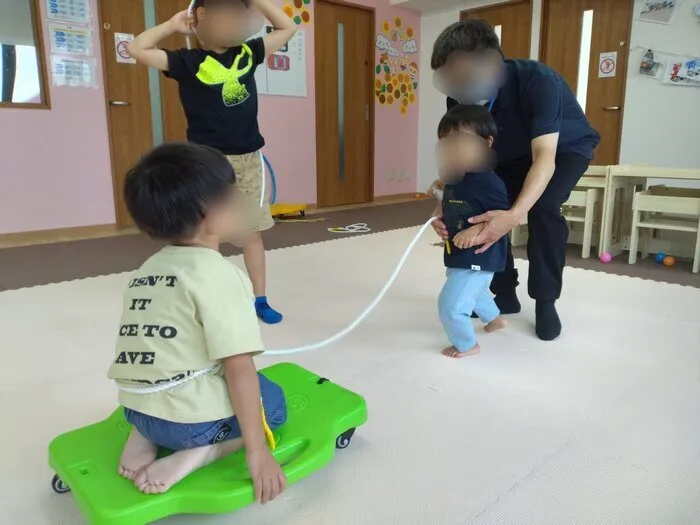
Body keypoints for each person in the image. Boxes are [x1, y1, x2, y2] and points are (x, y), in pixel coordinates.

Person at [108, 142, 287, 502]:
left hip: (136, 407)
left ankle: (144, 434)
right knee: (274, 400)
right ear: (210, 213)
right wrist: (258, 452)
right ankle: (200, 452)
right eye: (232, 193)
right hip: (188, 427)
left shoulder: (148, 270)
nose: (241, 200)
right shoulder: (220, 276)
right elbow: (238, 368)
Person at [127, 0, 297, 324]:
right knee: (207, 236)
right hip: (207, 163)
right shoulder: (186, 61)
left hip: (249, 159)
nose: (237, 23)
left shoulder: (249, 53)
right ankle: (209, 299)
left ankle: (260, 299)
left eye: (241, 16)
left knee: (251, 233)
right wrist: (173, 25)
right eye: (229, 15)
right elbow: (137, 48)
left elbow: (288, 28)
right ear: (202, 16)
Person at [429, 20, 600, 341]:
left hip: (561, 149)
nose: (456, 86)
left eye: (463, 76)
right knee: (481, 206)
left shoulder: (537, 80)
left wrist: (515, 214)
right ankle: (503, 290)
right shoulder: (460, 98)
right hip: (507, 154)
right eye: (449, 79)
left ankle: (545, 300)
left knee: (543, 207)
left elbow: (545, 157)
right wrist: (448, 198)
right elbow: (463, 153)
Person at [435, 104, 509, 358]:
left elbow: (502, 215)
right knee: (473, 290)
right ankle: (494, 319)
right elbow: (448, 199)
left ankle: (466, 344)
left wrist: (476, 228)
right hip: (458, 252)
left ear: (486, 144)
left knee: (451, 304)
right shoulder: (456, 177)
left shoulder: (488, 180)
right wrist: (438, 212)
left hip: (480, 253)